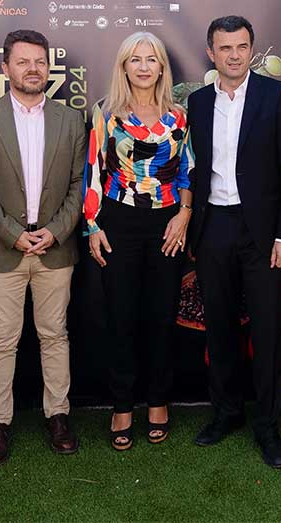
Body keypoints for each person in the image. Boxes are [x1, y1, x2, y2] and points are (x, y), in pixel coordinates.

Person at [186, 15, 281, 469]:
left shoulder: (276, 96)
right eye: (225, 48)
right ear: (211, 52)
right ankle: (225, 413)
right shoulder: (196, 103)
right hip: (213, 226)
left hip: (264, 233)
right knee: (219, 327)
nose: (234, 55)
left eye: (241, 46)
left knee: (267, 330)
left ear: (251, 49)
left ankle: (268, 426)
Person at [0, 29, 86, 466]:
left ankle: (59, 416)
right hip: (2, 250)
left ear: (48, 67)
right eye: (23, 61)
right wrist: (13, 234)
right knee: (2, 340)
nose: (33, 68)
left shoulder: (72, 119)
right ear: (6, 67)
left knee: (55, 335)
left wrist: (53, 231)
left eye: (40, 61)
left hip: (55, 247)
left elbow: (79, 185)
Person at [83, 31, 194, 450]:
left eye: (151, 59)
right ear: (124, 67)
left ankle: (159, 402)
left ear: (162, 67)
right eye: (135, 59)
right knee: (121, 317)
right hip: (118, 220)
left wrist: (184, 214)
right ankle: (122, 406)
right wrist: (92, 226)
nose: (144, 66)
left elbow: (188, 169)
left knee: (161, 316)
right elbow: (93, 171)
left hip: (166, 222)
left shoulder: (179, 116)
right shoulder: (105, 113)